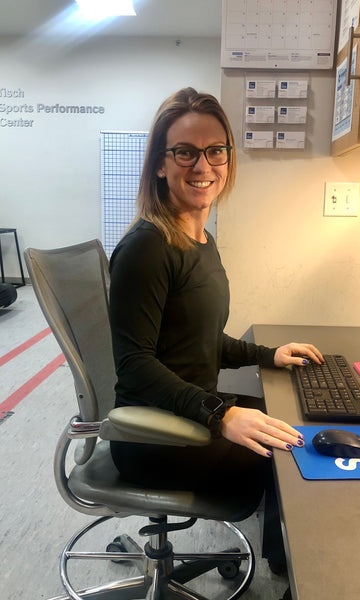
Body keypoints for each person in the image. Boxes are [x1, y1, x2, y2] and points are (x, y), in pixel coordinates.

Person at [108, 87, 323, 571]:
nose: (202, 165)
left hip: (188, 413)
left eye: (215, 150)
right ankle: (294, 574)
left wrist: (268, 354)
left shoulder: (201, 239)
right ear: (160, 164)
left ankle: (285, 565)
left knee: (292, 422)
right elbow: (135, 364)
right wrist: (221, 414)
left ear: (227, 159)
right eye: (185, 151)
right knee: (290, 457)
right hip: (152, 436)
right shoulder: (148, 248)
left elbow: (199, 340)